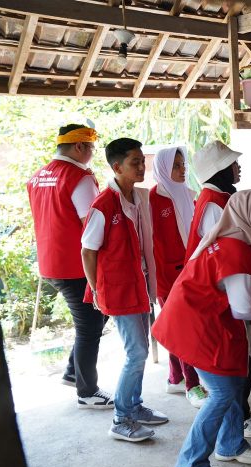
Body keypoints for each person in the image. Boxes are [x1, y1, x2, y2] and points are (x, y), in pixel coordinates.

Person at [152, 188, 251, 467]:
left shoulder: (241, 240)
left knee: (232, 382)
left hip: (204, 319)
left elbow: (238, 292)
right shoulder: (237, 251)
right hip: (196, 324)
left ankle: (230, 445)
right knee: (221, 392)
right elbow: (243, 308)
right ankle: (189, 465)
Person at [81, 138, 169, 442]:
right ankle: (120, 418)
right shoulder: (104, 205)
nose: (142, 167)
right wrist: (96, 289)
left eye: (143, 161)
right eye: (135, 162)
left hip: (140, 285)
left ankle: (134, 406)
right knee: (137, 353)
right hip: (119, 291)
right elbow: (87, 251)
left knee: (139, 351)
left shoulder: (138, 199)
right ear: (117, 167)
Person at [26, 124, 113, 409]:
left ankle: (72, 371)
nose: (91, 154)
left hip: (51, 262)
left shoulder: (38, 176)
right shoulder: (79, 177)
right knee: (90, 325)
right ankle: (86, 391)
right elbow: (93, 223)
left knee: (96, 318)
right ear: (79, 147)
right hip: (76, 265)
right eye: (91, 148)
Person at [187, 140, 251, 438]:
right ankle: (236, 420)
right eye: (233, 162)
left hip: (224, 290)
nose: (238, 166)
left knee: (249, 354)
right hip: (216, 293)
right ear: (221, 169)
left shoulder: (221, 196)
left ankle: (238, 415)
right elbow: (223, 253)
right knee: (243, 357)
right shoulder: (212, 203)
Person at [149, 146, 207, 408]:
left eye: (183, 165)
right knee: (184, 328)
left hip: (189, 269)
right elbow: (150, 244)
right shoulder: (152, 200)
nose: (183, 170)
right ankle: (192, 384)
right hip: (167, 276)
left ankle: (175, 378)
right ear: (163, 169)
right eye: (176, 166)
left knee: (178, 325)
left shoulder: (187, 194)